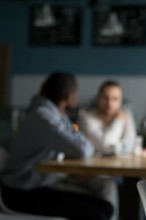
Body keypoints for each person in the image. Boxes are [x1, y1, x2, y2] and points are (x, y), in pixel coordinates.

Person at [0, 71, 113, 220]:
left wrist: (78, 135)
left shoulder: (58, 116)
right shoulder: (43, 118)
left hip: (36, 187)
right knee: (97, 215)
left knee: (106, 208)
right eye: (75, 92)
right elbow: (83, 149)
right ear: (69, 96)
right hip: (19, 193)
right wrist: (78, 136)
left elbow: (78, 138)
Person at [78, 80, 137, 156]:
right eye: (105, 98)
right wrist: (118, 121)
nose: (109, 103)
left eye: (115, 99)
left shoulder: (126, 116)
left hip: (122, 165)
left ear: (121, 101)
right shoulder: (85, 118)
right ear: (98, 98)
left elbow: (130, 145)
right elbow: (106, 145)